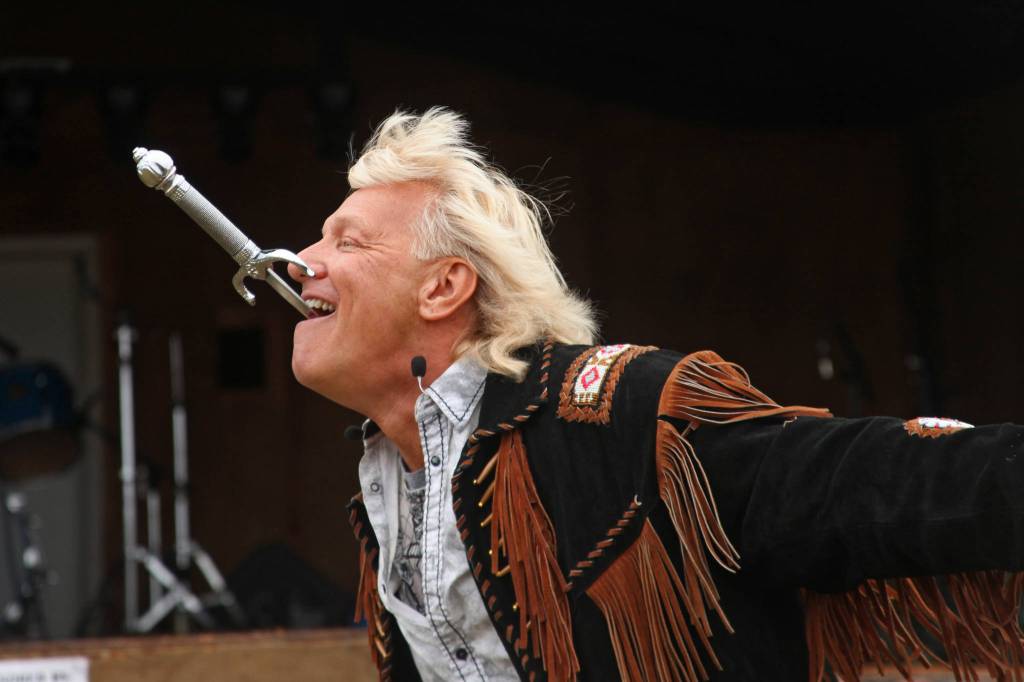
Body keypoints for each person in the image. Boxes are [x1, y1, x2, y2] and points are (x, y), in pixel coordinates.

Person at [287, 108, 1024, 682]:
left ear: (445, 287)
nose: (300, 263)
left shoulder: (628, 416)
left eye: (347, 243)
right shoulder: (389, 476)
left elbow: (860, 479)